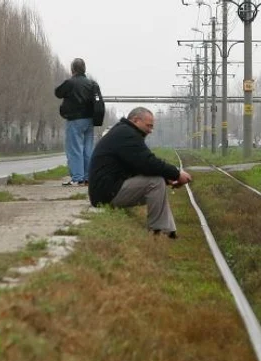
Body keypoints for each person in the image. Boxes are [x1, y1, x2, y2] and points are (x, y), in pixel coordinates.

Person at [88, 107, 192, 238]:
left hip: (107, 189)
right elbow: (148, 162)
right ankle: (158, 231)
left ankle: (168, 231)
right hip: (106, 194)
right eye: (148, 126)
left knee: (158, 181)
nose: (150, 130)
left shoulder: (124, 132)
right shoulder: (127, 135)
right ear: (136, 120)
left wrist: (167, 179)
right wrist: (176, 174)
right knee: (155, 182)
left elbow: (139, 167)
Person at [55, 58, 95, 186]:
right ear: (84, 69)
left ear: (73, 69)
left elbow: (58, 93)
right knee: (88, 149)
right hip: (90, 120)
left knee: (74, 148)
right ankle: (88, 178)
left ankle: (77, 178)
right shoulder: (91, 84)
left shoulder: (70, 83)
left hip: (75, 119)